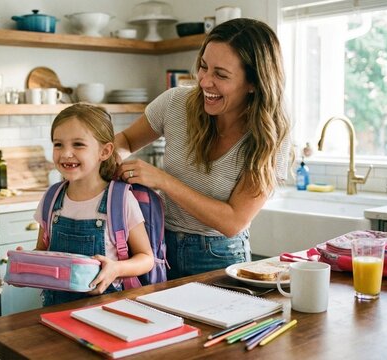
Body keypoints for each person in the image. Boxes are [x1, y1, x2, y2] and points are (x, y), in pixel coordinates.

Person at [115, 18, 292, 279]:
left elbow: (232, 221)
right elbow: (125, 142)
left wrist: (163, 180)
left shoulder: (269, 135)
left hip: (220, 256)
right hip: (159, 247)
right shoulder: (176, 103)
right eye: (203, 67)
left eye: (220, 75)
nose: (205, 82)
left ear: (254, 83)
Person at [32, 103, 154, 306]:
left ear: (104, 151)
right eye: (58, 144)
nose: (65, 153)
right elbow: (42, 250)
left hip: (108, 309)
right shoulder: (51, 198)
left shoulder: (120, 199)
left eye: (78, 144)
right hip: (55, 308)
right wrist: (27, 261)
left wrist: (116, 268)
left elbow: (146, 258)